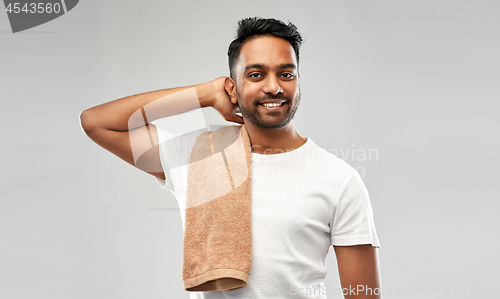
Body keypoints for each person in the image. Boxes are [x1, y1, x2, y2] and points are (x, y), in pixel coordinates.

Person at [80, 17, 382, 299]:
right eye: (256, 75)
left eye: (286, 74)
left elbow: (364, 295)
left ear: (299, 82)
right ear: (233, 88)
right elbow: (96, 121)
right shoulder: (195, 154)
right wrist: (205, 94)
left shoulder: (338, 179)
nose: (274, 86)